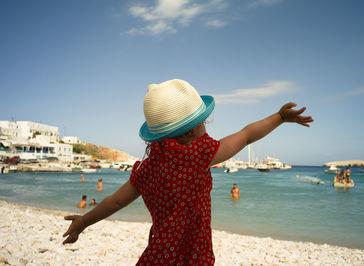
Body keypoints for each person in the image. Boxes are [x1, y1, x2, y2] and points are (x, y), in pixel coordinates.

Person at [62, 79, 313, 265]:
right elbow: (246, 136)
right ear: (191, 130)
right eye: (203, 120)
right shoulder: (199, 155)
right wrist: (279, 117)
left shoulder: (147, 168)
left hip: (159, 254)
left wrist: (83, 221)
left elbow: (116, 201)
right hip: (194, 254)